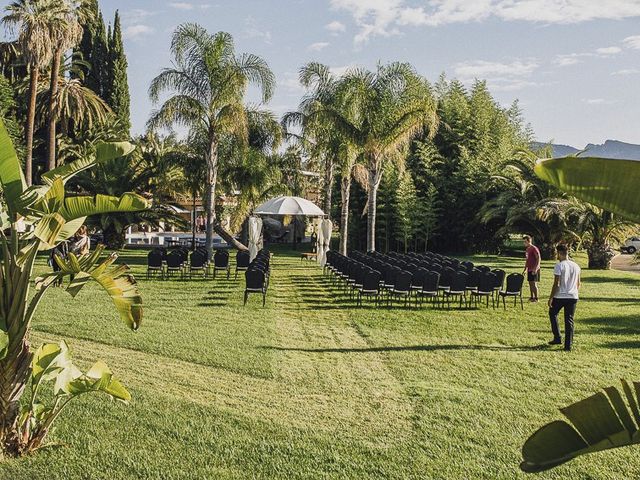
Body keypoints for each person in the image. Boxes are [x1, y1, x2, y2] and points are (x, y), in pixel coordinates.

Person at [548, 243, 581, 351]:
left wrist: (551, 297)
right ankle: (568, 345)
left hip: (560, 296)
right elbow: (578, 283)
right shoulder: (576, 266)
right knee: (569, 320)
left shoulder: (559, 265)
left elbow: (556, 283)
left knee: (553, 313)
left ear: (559, 253)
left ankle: (557, 337)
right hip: (573, 296)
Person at [522, 235, 541, 302]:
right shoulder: (527, 249)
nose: (524, 243)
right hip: (529, 269)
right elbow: (527, 260)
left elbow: (538, 258)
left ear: (529, 241)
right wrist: (525, 269)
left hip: (534, 269)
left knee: (534, 283)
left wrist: (535, 269)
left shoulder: (534, 248)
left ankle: (536, 298)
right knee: (530, 283)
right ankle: (531, 297)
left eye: (525, 241)